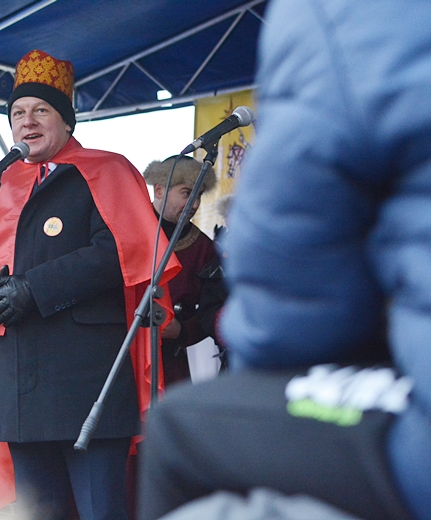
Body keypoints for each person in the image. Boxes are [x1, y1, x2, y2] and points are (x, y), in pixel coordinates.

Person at [138, 1, 431, 519]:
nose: (174, 199)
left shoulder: (341, 17)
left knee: (176, 427)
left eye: (181, 191)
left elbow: (289, 301)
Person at [0, 50, 179, 520]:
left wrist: (31, 290)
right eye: (17, 113)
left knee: (100, 511)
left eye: (40, 111)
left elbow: (119, 251)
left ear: (66, 121)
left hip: (87, 379)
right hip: (18, 384)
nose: (26, 122)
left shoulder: (107, 170)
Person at [143, 156, 226, 384]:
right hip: (121, 351)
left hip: (172, 362)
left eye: (199, 195)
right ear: (158, 190)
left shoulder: (204, 248)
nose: (195, 204)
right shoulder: (126, 233)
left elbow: (212, 309)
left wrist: (182, 329)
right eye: (187, 193)